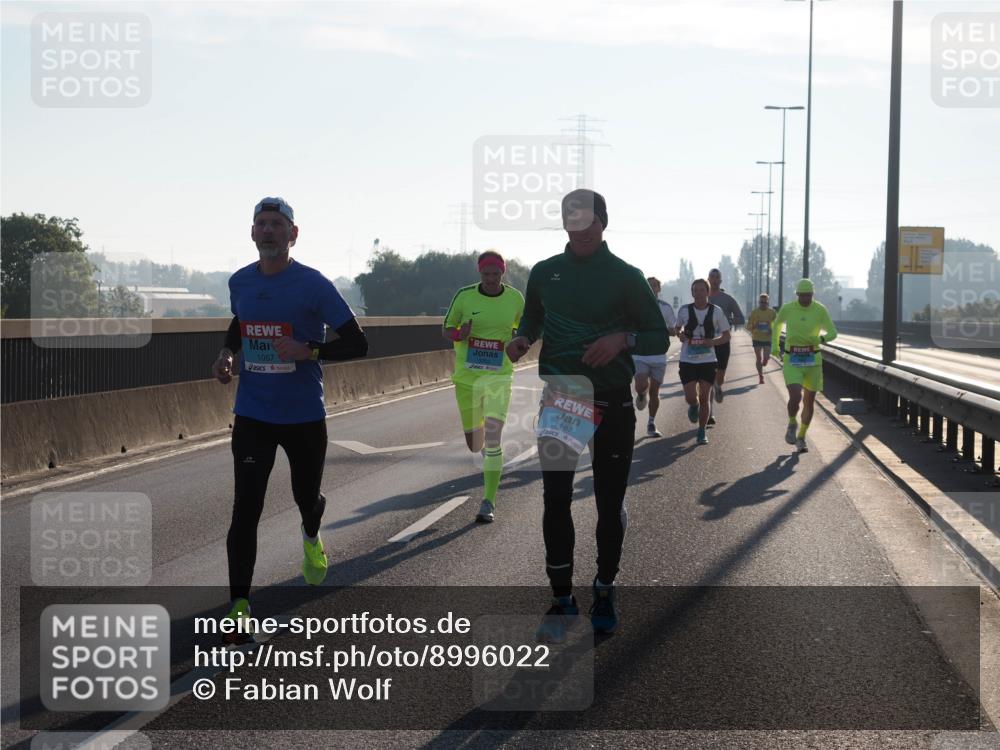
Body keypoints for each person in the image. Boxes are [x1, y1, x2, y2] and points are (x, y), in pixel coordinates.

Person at [506, 189, 667, 639]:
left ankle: (604, 586)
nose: (577, 225)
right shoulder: (544, 273)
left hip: (613, 398)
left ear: (602, 221)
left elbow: (657, 337)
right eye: (568, 217)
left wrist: (622, 340)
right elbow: (533, 318)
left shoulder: (626, 276)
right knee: (556, 498)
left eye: (585, 217)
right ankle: (561, 599)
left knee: (607, 501)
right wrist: (523, 339)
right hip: (563, 398)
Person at [211, 197, 368, 642]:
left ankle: (312, 530)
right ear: (252, 233)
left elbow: (359, 344)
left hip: (302, 416)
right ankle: (240, 604)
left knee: (305, 497)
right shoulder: (240, 281)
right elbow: (241, 324)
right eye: (261, 223)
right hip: (253, 415)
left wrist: (310, 350)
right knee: (246, 509)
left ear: (292, 234)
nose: (268, 231)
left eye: (277, 224)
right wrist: (227, 354)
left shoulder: (314, 285)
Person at [442, 250, 525, 523]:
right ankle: (485, 458)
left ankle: (488, 500)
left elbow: (524, 328)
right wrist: (459, 334)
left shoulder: (515, 299)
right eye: (486, 274)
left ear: (503, 273)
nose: (490, 279)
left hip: (499, 376)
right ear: (479, 273)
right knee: (474, 442)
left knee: (492, 439)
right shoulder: (465, 296)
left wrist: (520, 344)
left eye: (496, 274)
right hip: (467, 379)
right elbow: (446, 329)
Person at [771, 278, 838, 453]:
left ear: (812, 295)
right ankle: (792, 422)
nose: (805, 299)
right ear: (797, 295)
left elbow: (833, 332)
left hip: (813, 360)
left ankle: (801, 437)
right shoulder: (788, 308)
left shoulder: (819, 310)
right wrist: (775, 346)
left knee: (809, 401)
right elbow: (777, 324)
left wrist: (821, 339)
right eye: (802, 296)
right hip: (792, 358)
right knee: (795, 396)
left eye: (808, 296)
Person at [676, 279, 731, 445]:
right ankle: (693, 406)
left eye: (702, 290)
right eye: (696, 290)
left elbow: (727, 335)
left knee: (705, 396)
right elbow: (676, 328)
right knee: (691, 397)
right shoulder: (684, 310)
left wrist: (712, 342)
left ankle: (701, 431)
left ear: (707, 292)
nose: (699, 293)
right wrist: (680, 334)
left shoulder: (716, 312)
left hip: (708, 360)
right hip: (688, 359)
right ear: (692, 293)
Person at [632, 276, 675, 437]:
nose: (651, 288)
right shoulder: (635, 307)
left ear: (659, 289)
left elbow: (673, 329)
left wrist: (670, 330)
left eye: (654, 286)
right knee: (641, 385)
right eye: (648, 286)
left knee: (655, 392)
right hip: (640, 354)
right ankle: (641, 394)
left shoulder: (665, 308)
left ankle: (651, 423)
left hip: (658, 355)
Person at [706, 268, 745, 419]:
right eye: (712, 277)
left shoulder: (727, 299)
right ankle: (709, 414)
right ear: (708, 279)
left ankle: (718, 385)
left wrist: (727, 320)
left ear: (720, 281)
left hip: (722, 341)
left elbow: (741, 318)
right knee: (707, 377)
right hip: (706, 342)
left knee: (719, 375)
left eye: (717, 277)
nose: (715, 279)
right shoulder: (702, 297)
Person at [746, 293, 777, 384]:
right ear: (759, 302)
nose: (763, 304)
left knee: (766, 358)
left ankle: (766, 360)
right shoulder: (754, 312)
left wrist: (772, 330)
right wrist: (754, 326)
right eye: (761, 302)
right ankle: (761, 376)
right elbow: (748, 326)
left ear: (768, 303)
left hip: (767, 338)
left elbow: (777, 325)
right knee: (758, 358)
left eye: (765, 302)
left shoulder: (772, 313)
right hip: (757, 338)